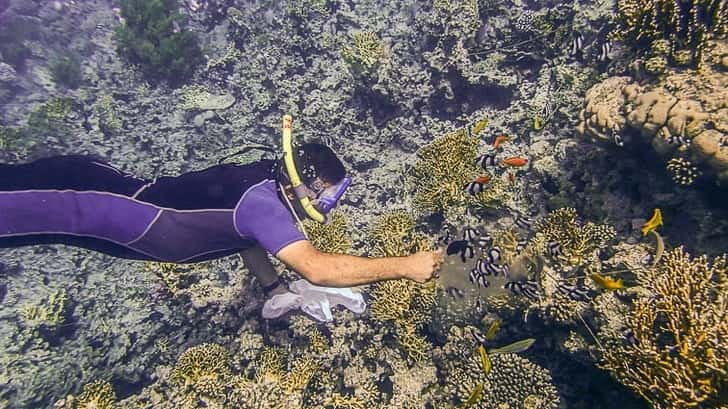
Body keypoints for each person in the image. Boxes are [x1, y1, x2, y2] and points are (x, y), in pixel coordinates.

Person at [0, 116, 443, 320]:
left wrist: (274, 288)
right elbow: (319, 267)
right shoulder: (264, 206)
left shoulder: (262, 187)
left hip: (106, 195)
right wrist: (407, 267)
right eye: (327, 196)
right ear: (300, 183)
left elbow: (243, 236)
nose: (328, 208)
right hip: (83, 204)